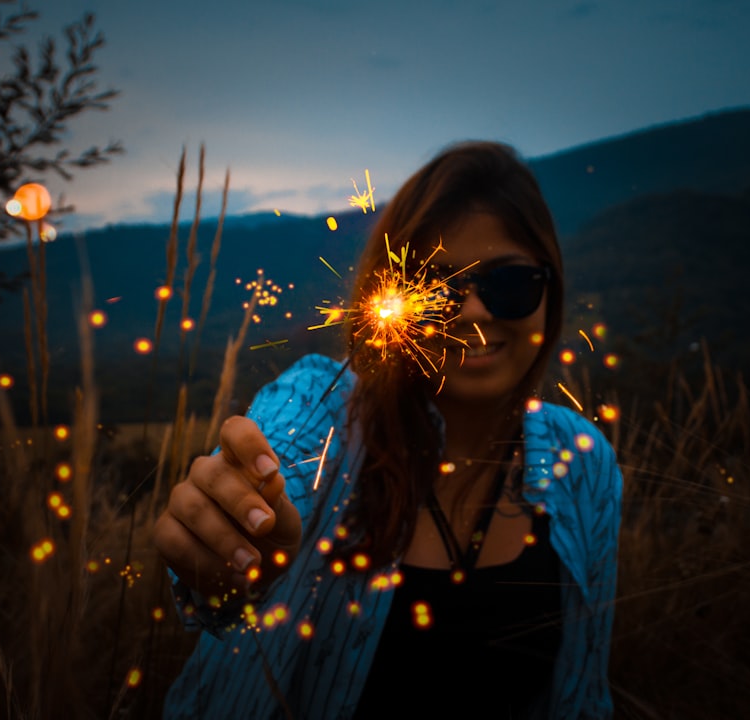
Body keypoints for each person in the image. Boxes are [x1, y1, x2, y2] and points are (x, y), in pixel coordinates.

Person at [154, 141, 623, 719]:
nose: (474, 312)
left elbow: (583, 696)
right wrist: (238, 534)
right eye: (438, 285)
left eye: (510, 284)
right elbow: (281, 465)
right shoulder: (323, 406)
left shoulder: (583, 462)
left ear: (550, 291)